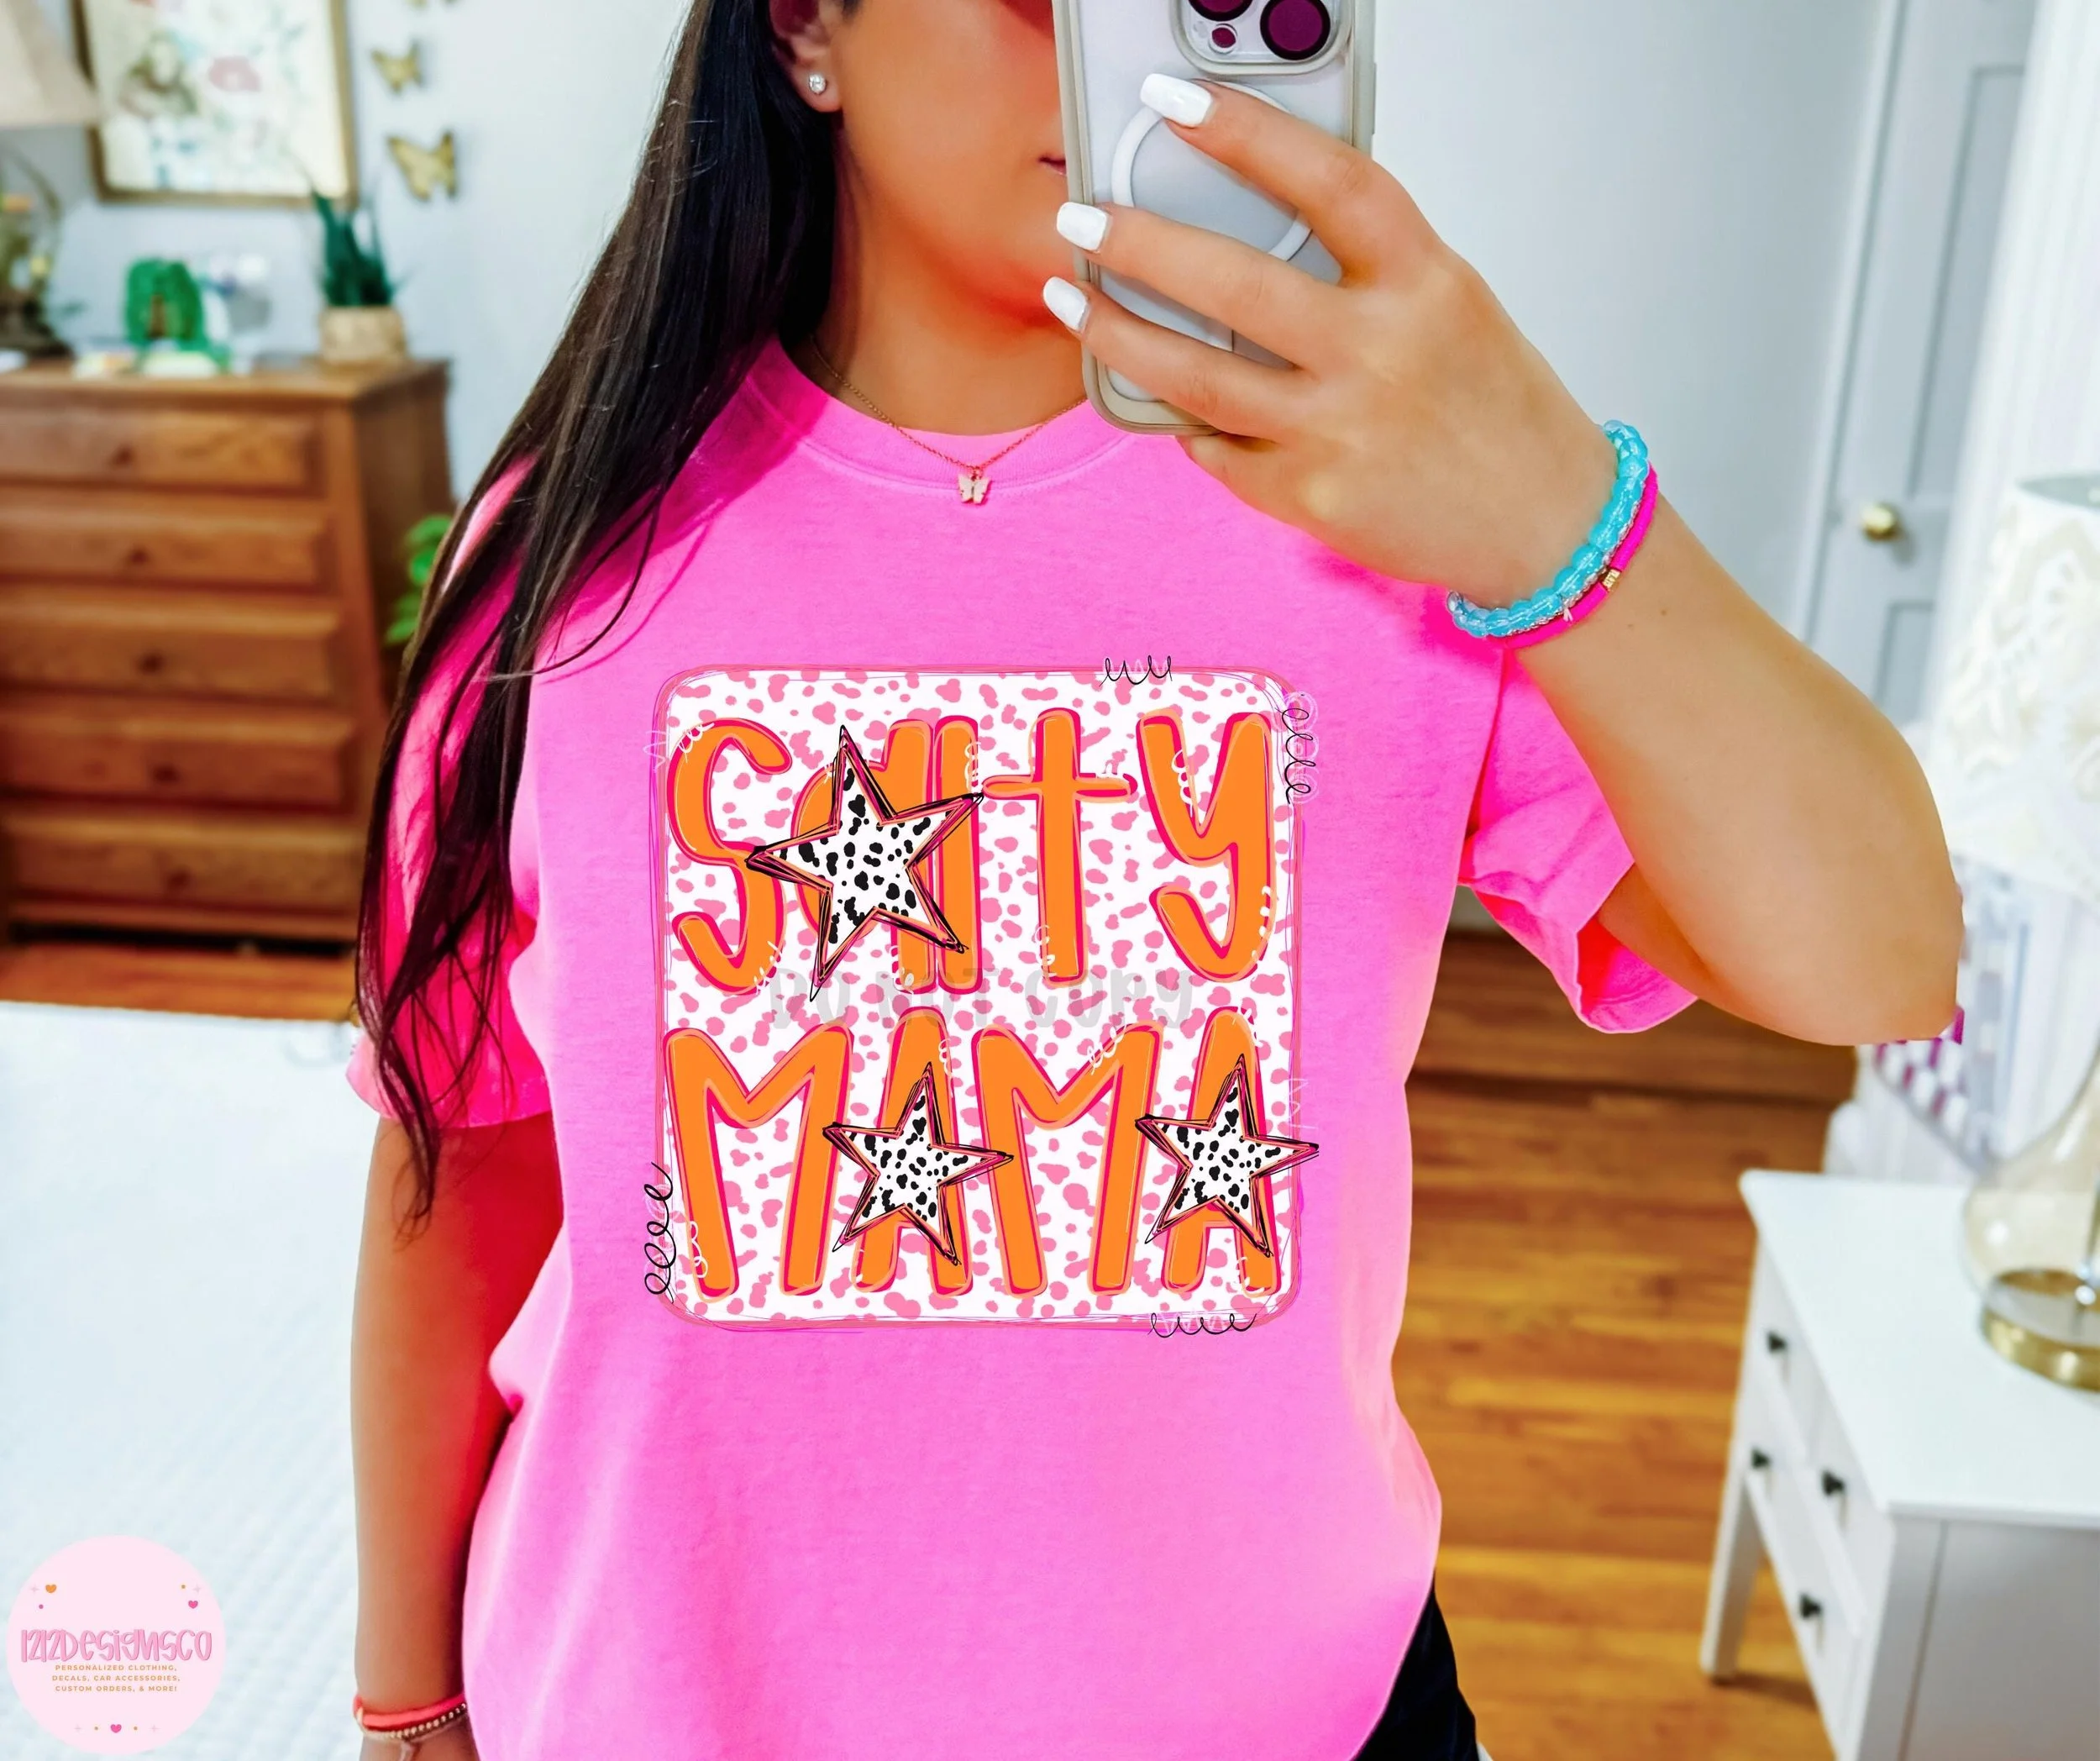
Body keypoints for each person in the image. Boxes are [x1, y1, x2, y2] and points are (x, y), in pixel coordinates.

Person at [347, 3, 1961, 1757]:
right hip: (662, 1699)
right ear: (808, 23)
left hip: (1277, 1704)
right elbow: (466, 1143)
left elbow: (1876, 964)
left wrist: (1557, 502)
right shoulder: (568, 554)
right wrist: (402, 1683)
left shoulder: (1396, 523)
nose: (1119, 51)